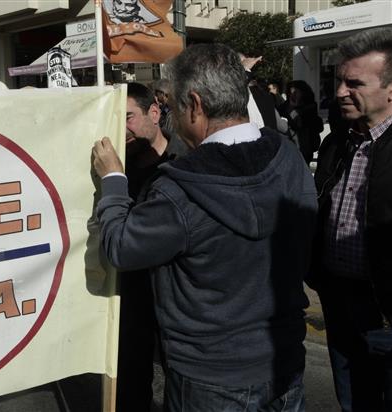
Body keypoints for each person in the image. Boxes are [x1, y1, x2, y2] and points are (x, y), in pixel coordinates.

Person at [92, 43, 317, 411]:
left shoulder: (178, 188)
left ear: (194, 105)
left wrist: (113, 179)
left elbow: (120, 247)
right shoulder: (288, 156)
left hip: (208, 375)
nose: (171, 117)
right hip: (283, 359)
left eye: (172, 106)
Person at [310, 27, 392, 412]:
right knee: (352, 397)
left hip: (384, 309)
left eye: (354, 83)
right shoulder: (338, 141)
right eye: (340, 81)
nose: (341, 92)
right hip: (338, 296)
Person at [114, 82, 175, 412]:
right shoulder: (116, 168)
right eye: (115, 119)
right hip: (132, 293)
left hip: (175, 296)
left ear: (154, 112)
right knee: (130, 381)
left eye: (128, 117)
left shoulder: (184, 161)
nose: (122, 128)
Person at [278, 80, 324, 164]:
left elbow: (303, 125)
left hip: (305, 149)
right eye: (290, 92)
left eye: (295, 92)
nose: (292, 95)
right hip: (288, 149)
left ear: (303, 93)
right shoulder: (283, 108)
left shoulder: (310, 108)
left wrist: (292, 111)